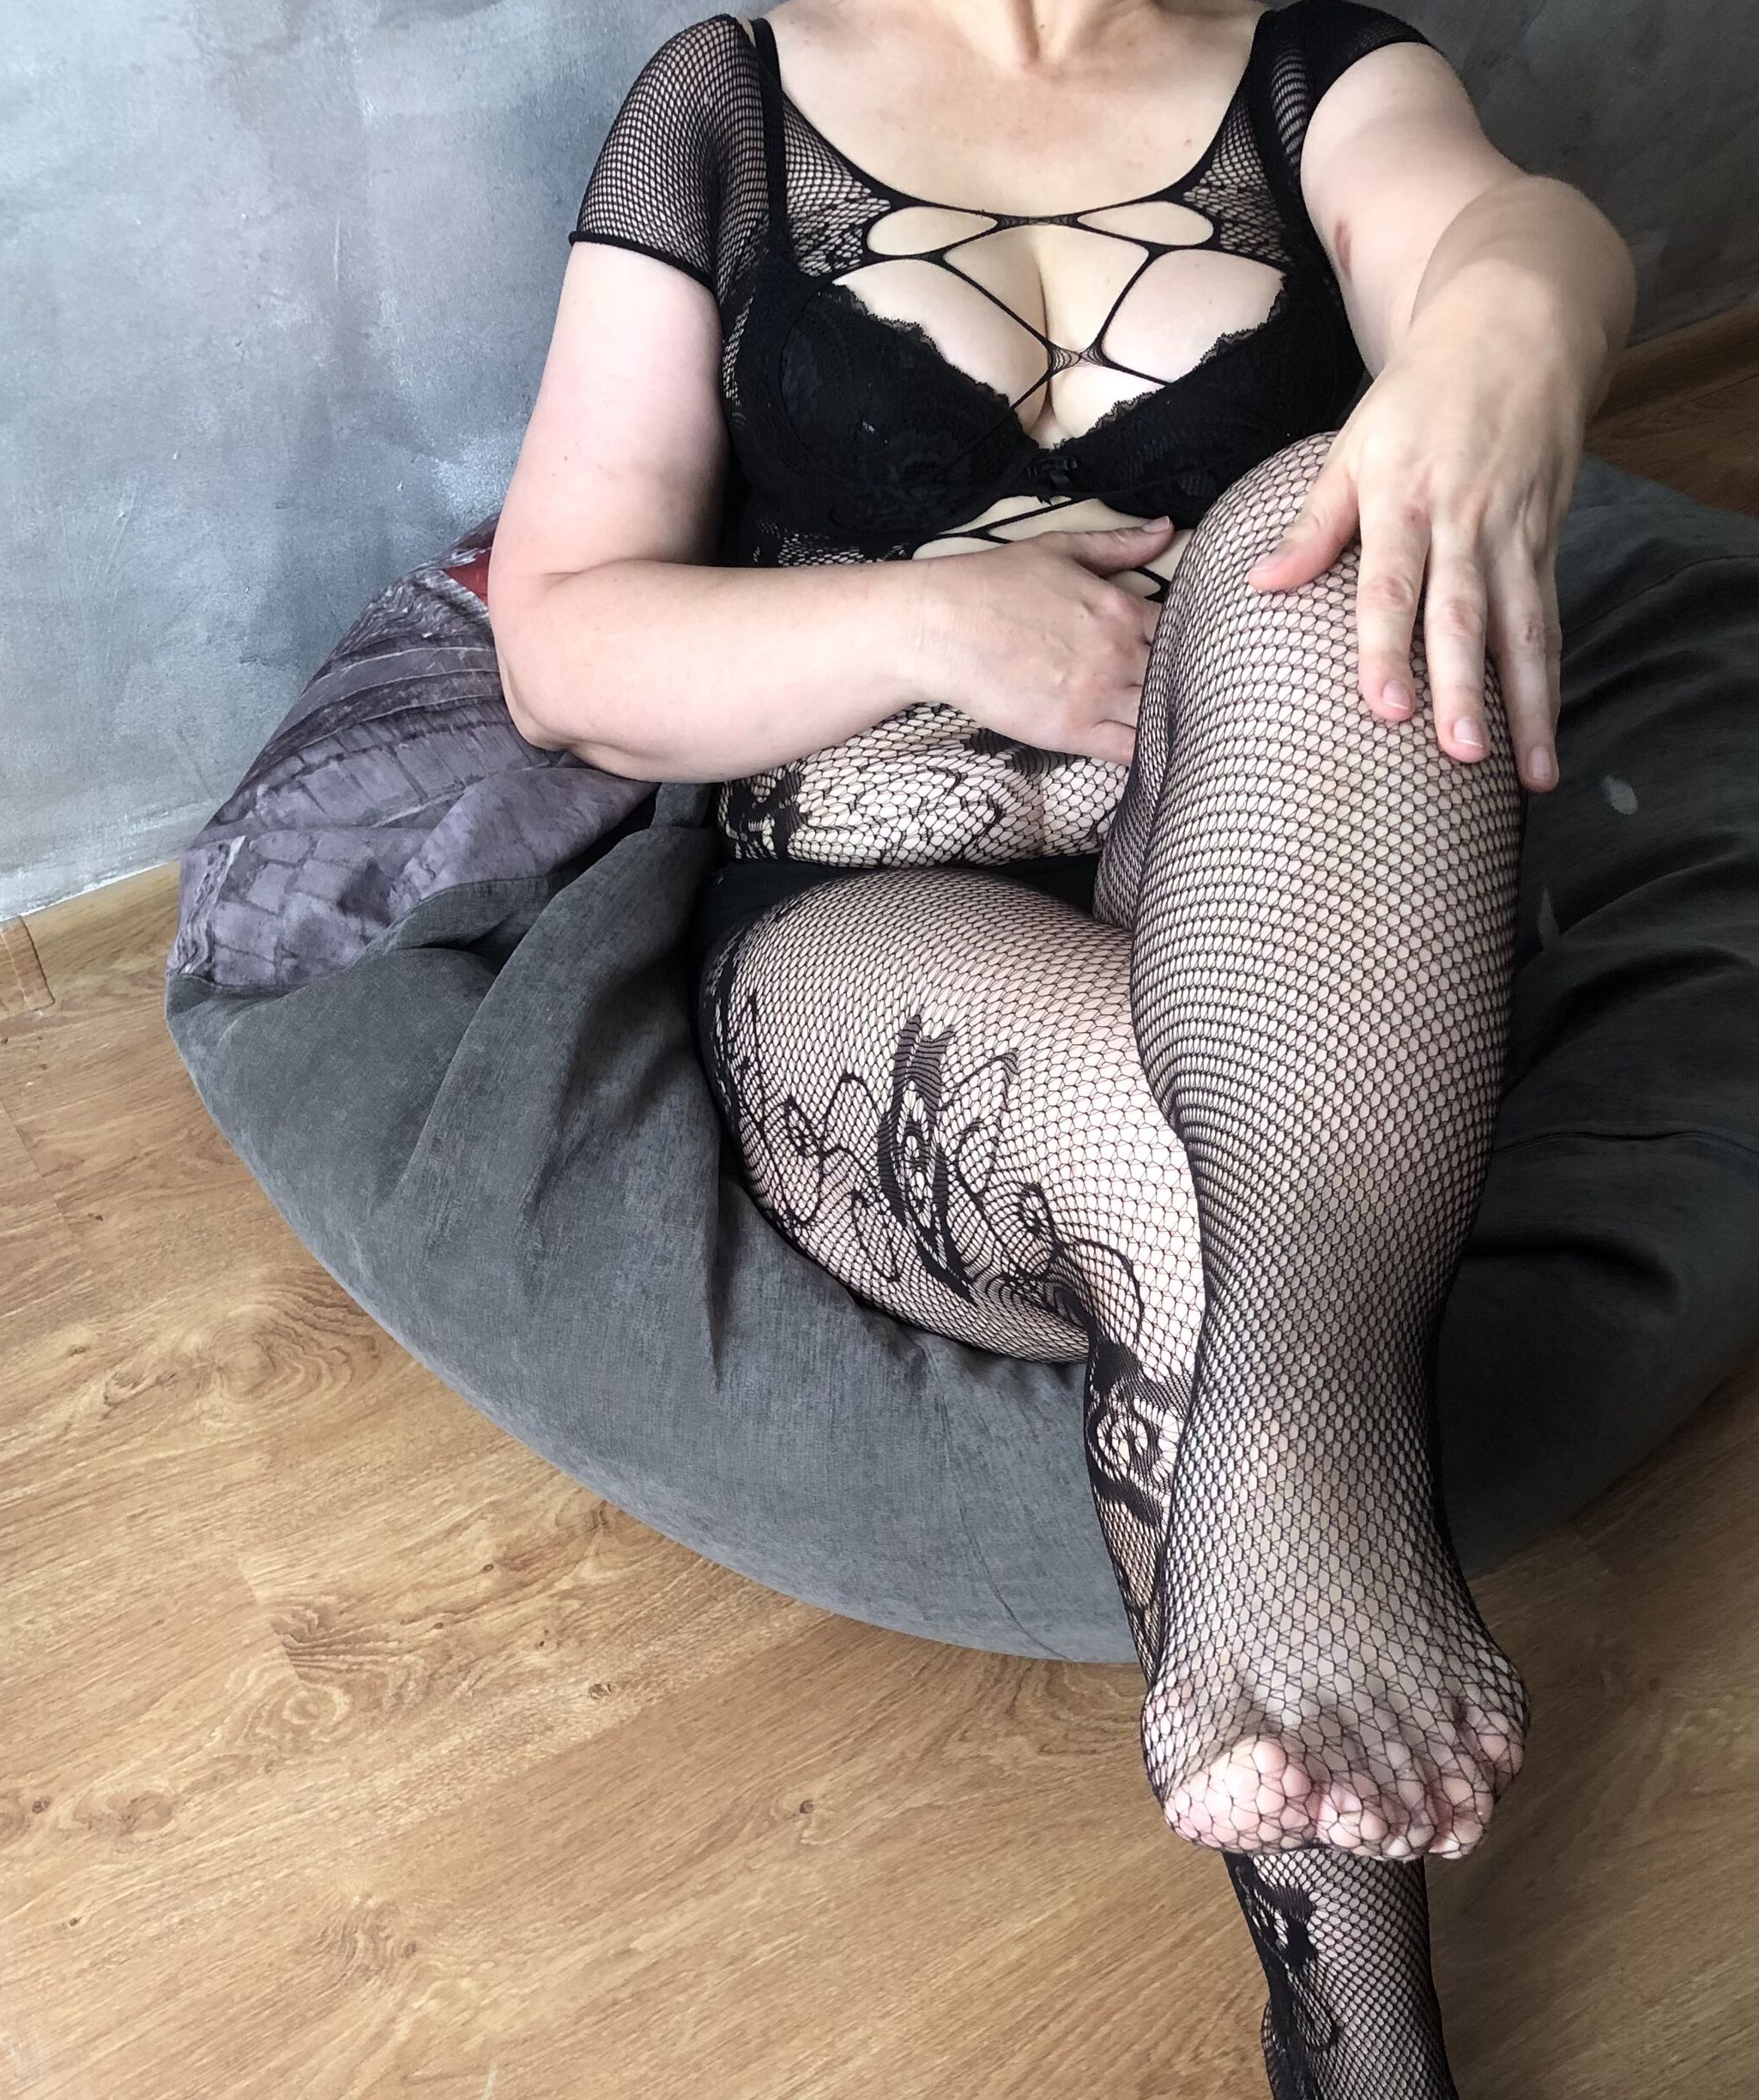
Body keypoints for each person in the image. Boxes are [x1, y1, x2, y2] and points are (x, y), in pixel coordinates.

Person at [488, 3, 1636, 2091]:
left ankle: (1290, 1461)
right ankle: (1363, 2046)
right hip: (880, 926)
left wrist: (1501, 331)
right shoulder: (726, 104)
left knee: (1315, 522)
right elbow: (561, 641)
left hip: (1283, 876)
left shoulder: (1311, 69)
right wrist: (933, 619)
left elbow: (1505, 228)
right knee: (1171, 1176)